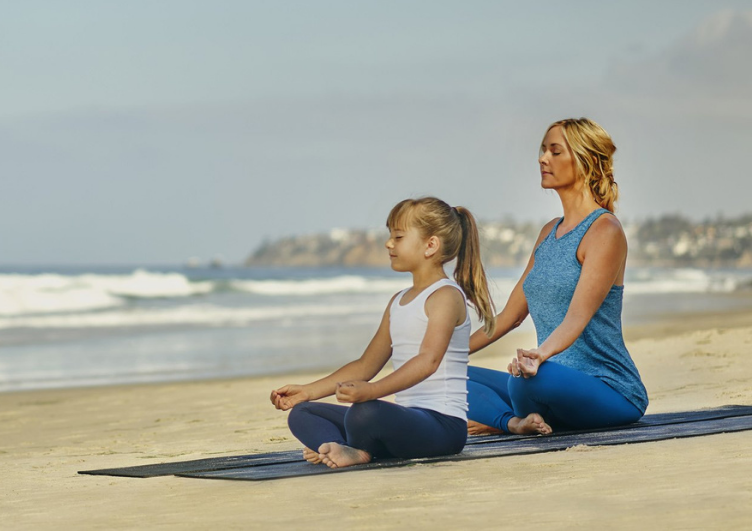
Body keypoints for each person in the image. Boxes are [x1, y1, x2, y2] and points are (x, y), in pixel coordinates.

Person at [270, 197, 495, 468]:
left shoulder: (445, 296)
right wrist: (307, 391)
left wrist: (372, 391)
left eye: (398, 237)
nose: (389, 243)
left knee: (365, 411)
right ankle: (338, 448)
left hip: (442, 427)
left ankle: (352, 449)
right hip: (407, 421)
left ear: (431, 245)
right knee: (303, 413)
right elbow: (366, 365)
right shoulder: (398, 301)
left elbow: (428, 361)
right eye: (390, 236)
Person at [466, 118, 648, 436]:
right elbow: (510, 316)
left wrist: (538, 356)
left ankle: (500, 418)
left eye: (555, 151)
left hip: (609, 389)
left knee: (528, 381)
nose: (543, 158)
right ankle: (515, 421)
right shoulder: (548, 233)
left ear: (587, 161)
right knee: (442, 375)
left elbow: (577, 317)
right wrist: (445, 352)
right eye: (543, 150)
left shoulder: (604, 230)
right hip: (546, 378)